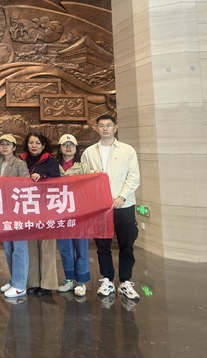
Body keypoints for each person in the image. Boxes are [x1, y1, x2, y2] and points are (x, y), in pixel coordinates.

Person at [82, 114, 141, 301]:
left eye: (109, 125)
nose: (105, 128)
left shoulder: (127, 150)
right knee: (102, 245)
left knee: (126, 244)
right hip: (100, 206)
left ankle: (125, 282)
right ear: (96, 129)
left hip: (124, 204)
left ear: (115, 128)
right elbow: (83, 174)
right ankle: (107, 279)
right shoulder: (89, 152)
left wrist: (122, 196)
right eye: (102, 125)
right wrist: (93, 172)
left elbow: (134, 176)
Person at [19, 131, 60, 297]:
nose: (34, 146)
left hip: (46, 208)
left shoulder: (51, 162)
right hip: (28, 208)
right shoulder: (21, 160)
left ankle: (48, 284)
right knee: (32, 248)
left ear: (43, 146)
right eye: (31, 142)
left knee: (47, 247)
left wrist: (42, 176)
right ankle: (34, 282)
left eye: (37, 143)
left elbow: (57, 182)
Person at [55, 134, 92, 298]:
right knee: (65, 247)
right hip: (60, 213)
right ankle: (69, 278)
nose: (68, 147)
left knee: (81, 247)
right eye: (65, 145)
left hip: (79, 213)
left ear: (76, 149)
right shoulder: (54, 166)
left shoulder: (83, 166)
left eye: (71, 145)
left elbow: (90, 187)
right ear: (60, 148)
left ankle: (81, 281)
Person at [0, 134, 31, 299]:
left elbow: (25, 186)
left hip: (17, 210)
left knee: (19, 248)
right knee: (8, 248)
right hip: (3, 211)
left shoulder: (19, 164)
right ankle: (13, 279)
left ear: (14, 147)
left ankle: (20, 285)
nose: (4, 147)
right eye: (2, 144)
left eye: (8, 144)